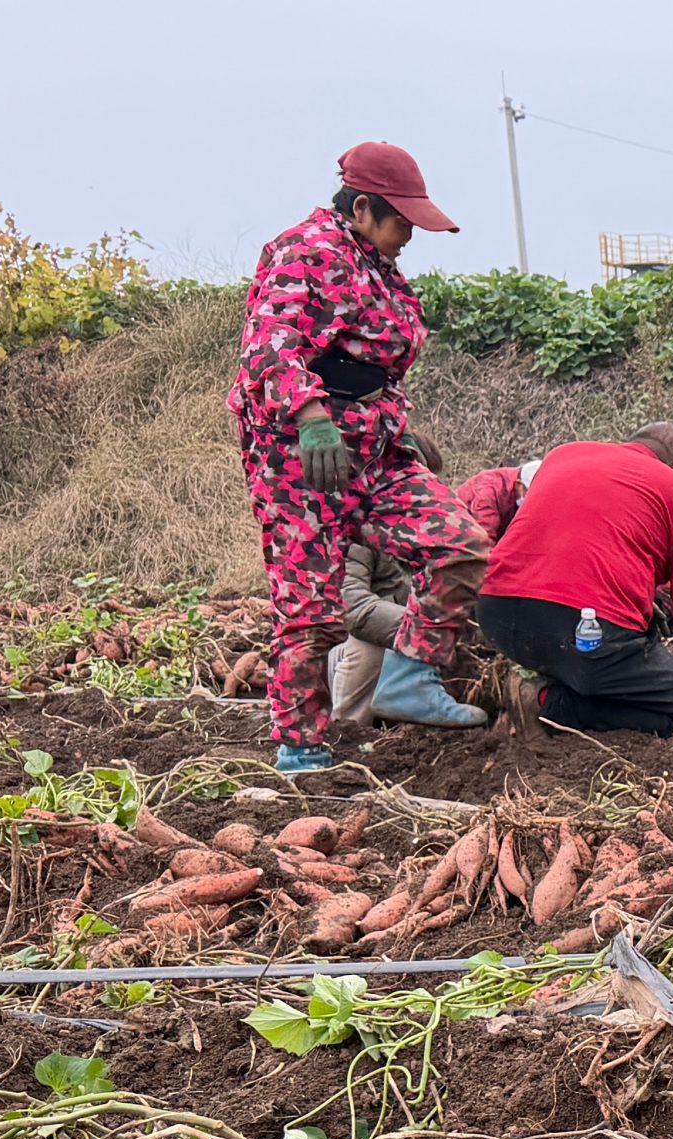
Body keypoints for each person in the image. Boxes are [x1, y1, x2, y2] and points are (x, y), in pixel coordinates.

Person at [230, 142, 492, 774]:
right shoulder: (305, 250)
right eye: (401, 219)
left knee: (461, 546)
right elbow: (268, 344)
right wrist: (310, 414)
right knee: (311, 604)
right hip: (303, 456)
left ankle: (408, 678)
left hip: (377, 447)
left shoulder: (378, 265)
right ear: (366, 206)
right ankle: (301, 750)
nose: (409, 233)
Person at [474, 423, 673, 736]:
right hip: (585, 626)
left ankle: (539, 686)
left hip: (497, 612)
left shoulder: (564, 455)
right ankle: (547, 703)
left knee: (588, 663)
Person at [325, 432, 451, 731]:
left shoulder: (439, 528)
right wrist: (420, 625)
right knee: (368, 646)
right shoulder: (357, 529)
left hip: (416, 649)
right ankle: (348, 731)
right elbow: (352, 606)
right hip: (347, 650)